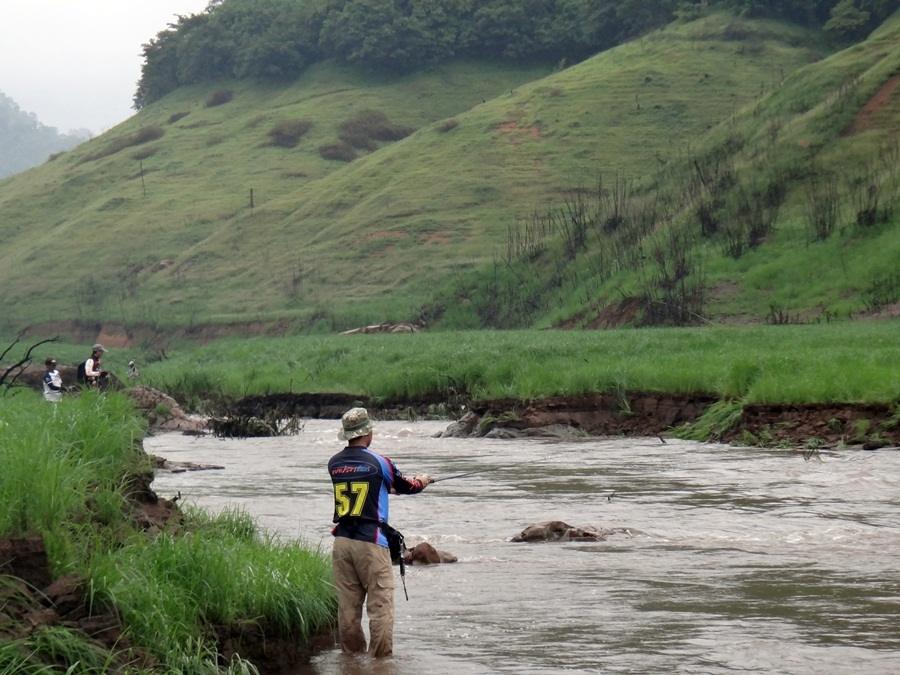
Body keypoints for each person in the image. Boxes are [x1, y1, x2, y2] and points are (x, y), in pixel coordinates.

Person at [327, 407, 433, 658]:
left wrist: (387, 489)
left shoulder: (334, 463)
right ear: (368, 433)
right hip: (371, 544)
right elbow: (409, 486)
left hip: (342, 541)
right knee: (380, 606)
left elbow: (361, 486)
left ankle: (351, 662)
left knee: (348, 607)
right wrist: (424, 480)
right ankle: (380, 664)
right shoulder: (380, 462)